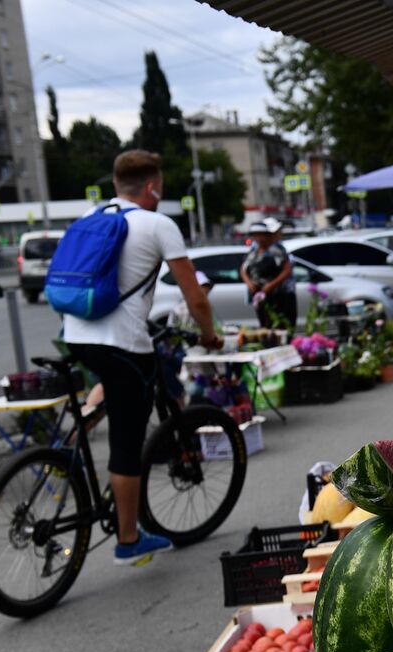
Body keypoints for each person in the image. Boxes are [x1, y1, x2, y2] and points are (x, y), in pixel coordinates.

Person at [62, 150, 221, 565]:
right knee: (127, 442)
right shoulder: (158, 224)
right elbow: (195, 298)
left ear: (116, 185)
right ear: (153, 187)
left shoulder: (88, 219)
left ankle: (68, 448)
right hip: (123, 342)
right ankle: (128, 539)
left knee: (112, 388)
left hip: (76, 335)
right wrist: (209, 336)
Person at [240, 219, 295, 330]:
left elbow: (287, 270)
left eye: (261, 235)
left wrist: (270, 285)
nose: (258, 238)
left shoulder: (276, 250)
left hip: (276, 294)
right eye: (255, 235)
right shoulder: (253, 251)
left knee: (278, 322)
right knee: (264, 322)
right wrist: (249, 283)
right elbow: (243, 269)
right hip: (258, 294)